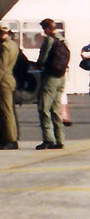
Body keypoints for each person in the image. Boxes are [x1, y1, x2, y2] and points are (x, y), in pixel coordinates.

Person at [35, 17, 69, 150]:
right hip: (61, 77)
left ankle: (48, 139)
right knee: (55, 109)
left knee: (43, 107)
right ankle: (60, 139)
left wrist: (38, 65)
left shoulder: (49, 40)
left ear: (47, 29)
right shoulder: (62, 40)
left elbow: (43, 59)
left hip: (50, 78)